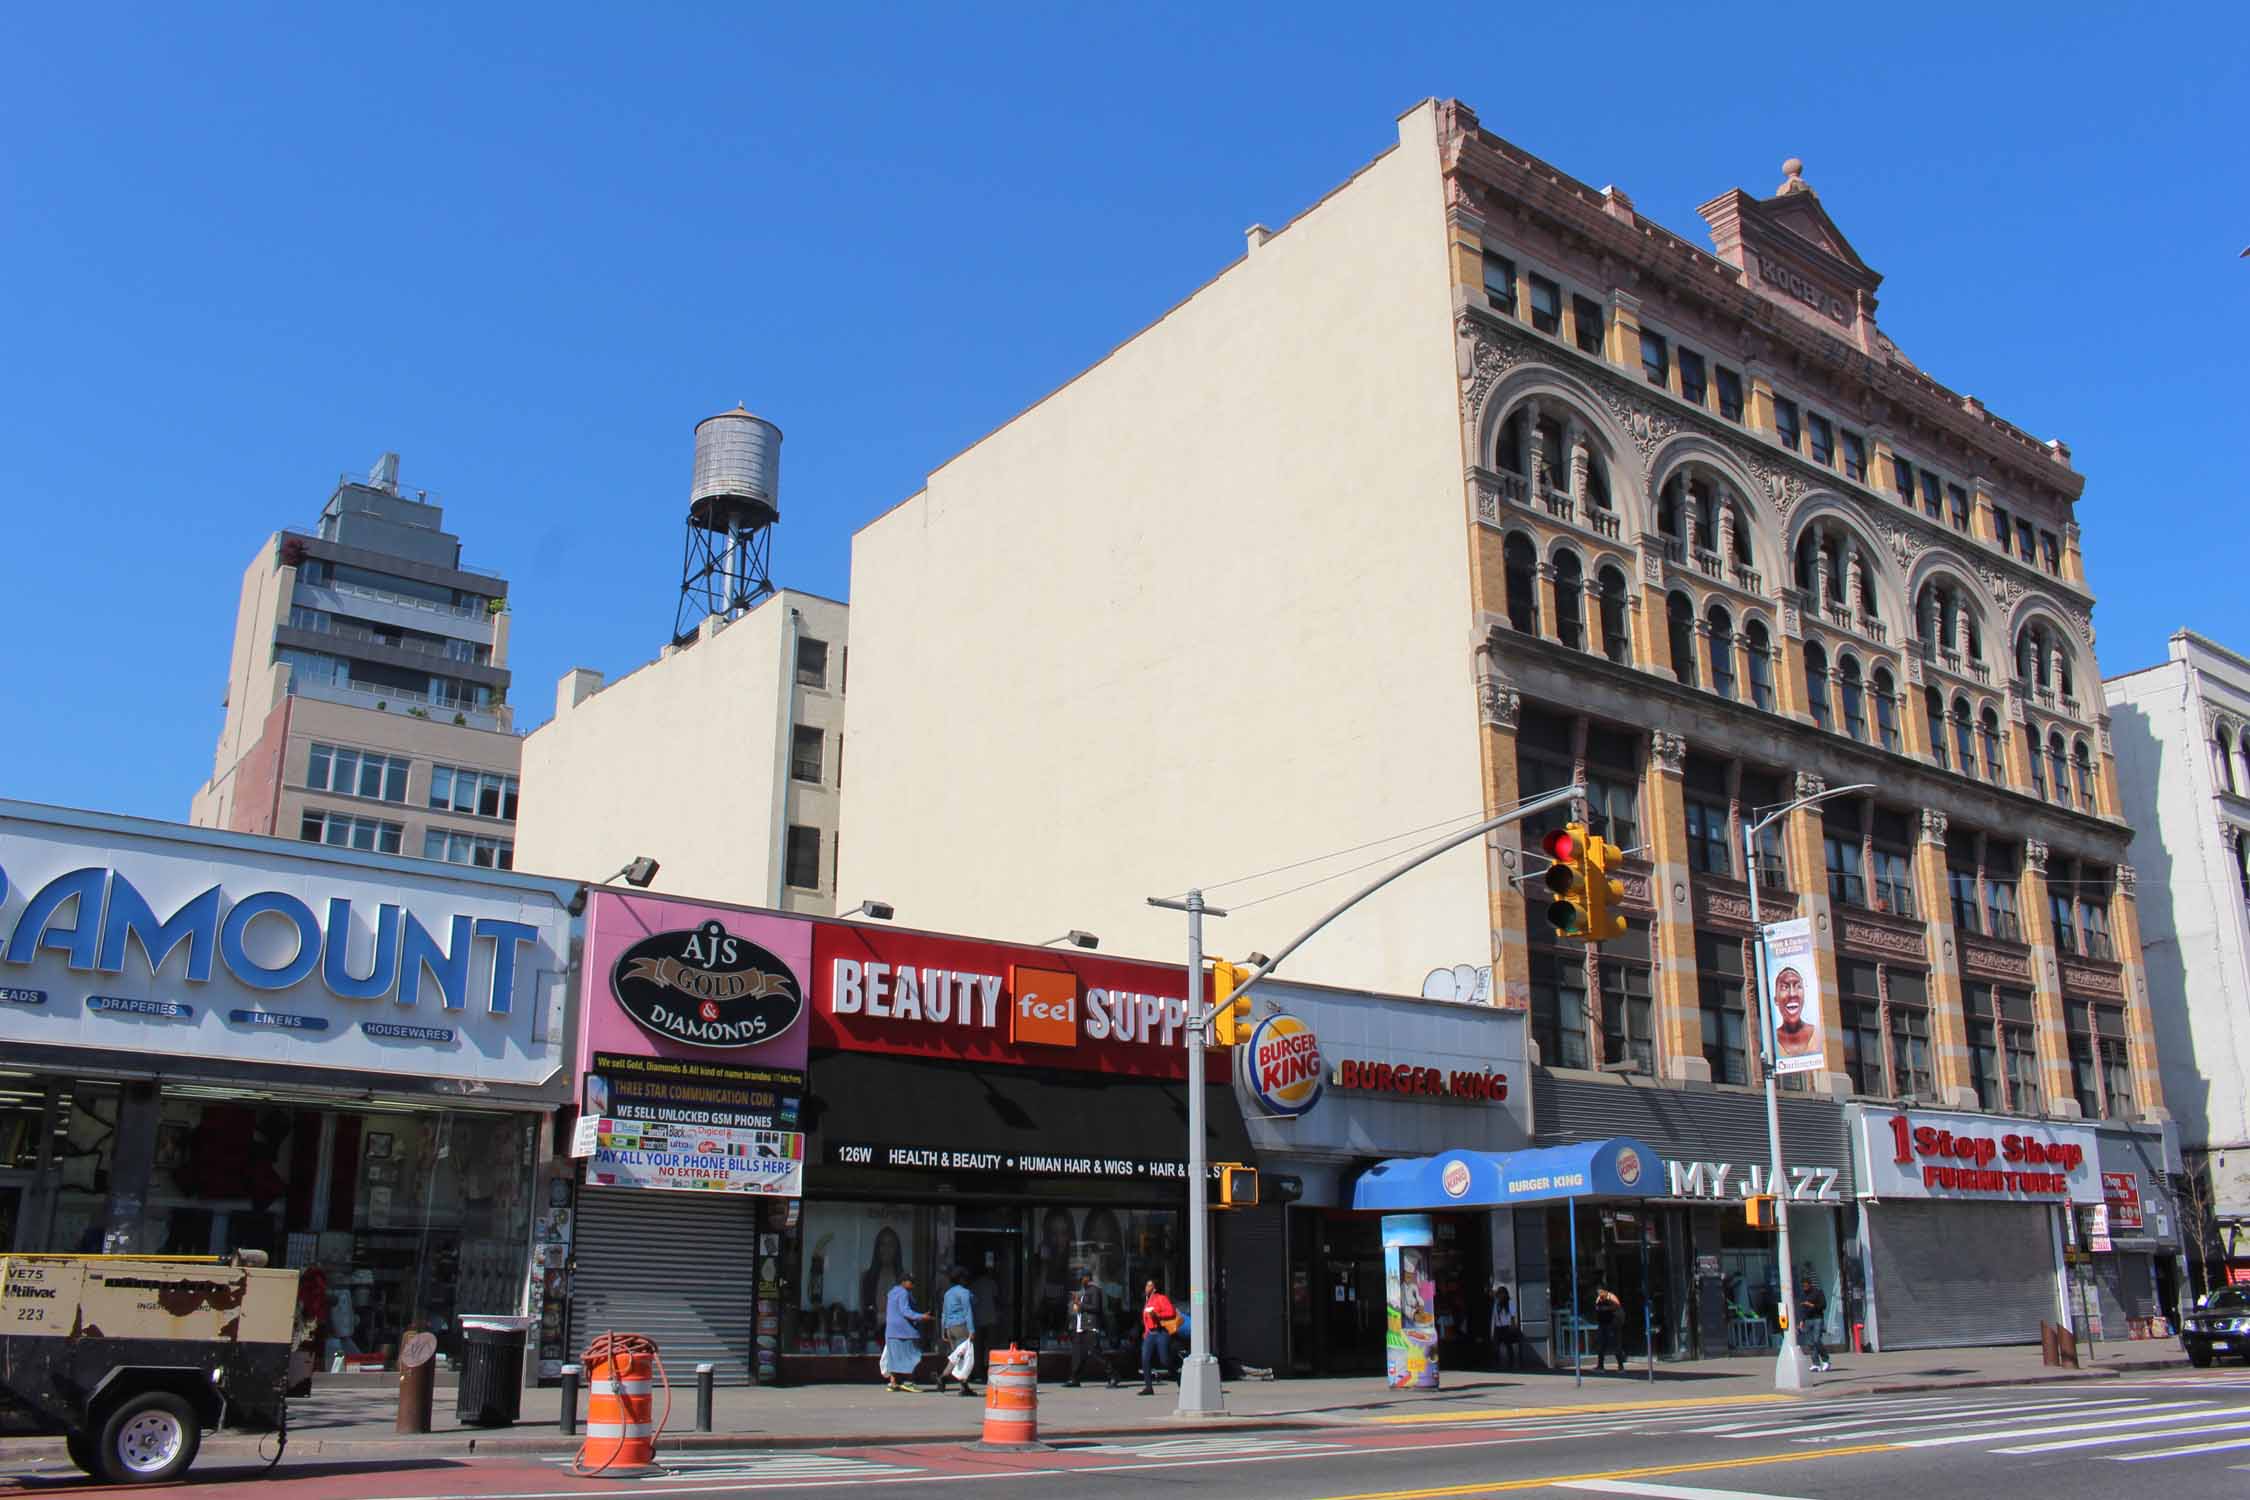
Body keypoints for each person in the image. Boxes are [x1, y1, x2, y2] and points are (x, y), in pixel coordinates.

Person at [1064, 1269, 1118, 1388]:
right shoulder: (1085, 1291)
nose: (1080, 1280)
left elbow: (1095, 1307)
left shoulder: (1094, 1290)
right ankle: (1074, 1378)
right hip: (1081, 1327)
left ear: (1087, 1278)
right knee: (1078, 1354)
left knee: (1095, 1352)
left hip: (1090, 1326)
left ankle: (1113, 1375)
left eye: (1082, 1278)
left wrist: (1079, 1304)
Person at [882, 1271, 931, 1393]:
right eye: (911, 1282)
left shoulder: (892, 1292)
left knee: (894, 1358)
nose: (913, 1285)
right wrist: (922, 1316)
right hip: (904, 1331)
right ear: (903, 1282)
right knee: (912, 1356)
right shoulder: (904, 1293)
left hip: (891, 1331)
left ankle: (893, 1383)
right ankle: (908, 1382)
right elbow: (905, 1311)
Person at [936, 1266, 977, 1396]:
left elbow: (944, 1313)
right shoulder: (964, 1292)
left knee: (957, 1356)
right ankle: (944, 1376)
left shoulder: (948, 1294)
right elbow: (968, 1311)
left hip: (950, 1328)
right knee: (965, 1357)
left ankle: (964, 1386)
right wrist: (971, 1330)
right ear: (962, 1279)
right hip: (961, 1326)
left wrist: (943, 1330)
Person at [1136, 1279, 1177, 1395]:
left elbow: (1171, 1312)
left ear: (1154, 1288)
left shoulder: (1161, 1298)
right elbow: (1146, 1319)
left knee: (1164, 1360)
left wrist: (1157, 1315)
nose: (1146, 1288)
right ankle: (1148, 1387)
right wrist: (1146, 1332)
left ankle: (1179, 1379)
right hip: (1150, 1334)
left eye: (1149, 1286)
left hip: (1161, 1333)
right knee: (1145, 1359)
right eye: (1146, 1285)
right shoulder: (1147, 1301)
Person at [1772, 967, 1820, 1059]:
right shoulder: (1770, 1039)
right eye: (1784, 987)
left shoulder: (1817, 1034)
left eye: (1798, 986)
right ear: (1776, 1000)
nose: (1792, 994)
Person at [1797, 1272, 1830, 1373]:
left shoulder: (1818, 1292)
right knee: (1810, 1343)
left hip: (1817, 1318)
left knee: (1816, 1340)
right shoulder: (1803, 1295)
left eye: (1806, 1285)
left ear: (1810, 1284)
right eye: (1803, 1286)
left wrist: (1812, 1305)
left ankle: (1825, 1360)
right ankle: (1816, 1364)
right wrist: (1801, 1320)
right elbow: (1802, 1309)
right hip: (1807, 1320)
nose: (1804, 1287)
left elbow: (1823, 1305)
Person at [1592, 1285, 1625, 1373]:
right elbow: (1597, 1309)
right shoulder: (1599, 1298)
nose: (1599, 1294)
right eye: (1598, 1292)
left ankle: (1621, 1367)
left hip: (1614, 1325)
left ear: (1606, 1291)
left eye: (1601, 1292)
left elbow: (1618, 1310)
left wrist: (1605, 1309)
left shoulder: (1612, 1297)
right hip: (1603, 1324)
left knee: (1616, 1345)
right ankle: (1600, 1366)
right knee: (1601, 1345)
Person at [1490, 1284, 1521, 1372]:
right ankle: (1496, 1364)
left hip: (1507, 1327)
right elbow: (1494, 1316)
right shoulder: (1496, 1303)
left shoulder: (1510, 1302)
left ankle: (1511, 1364)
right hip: (1498, 1328)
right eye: (1499, 1294)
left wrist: (1512, 1327)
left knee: (1508, 1346)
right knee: (1496, 1347)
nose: (1501, 1295)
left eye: (1502, 1294)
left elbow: (1512, 1316)